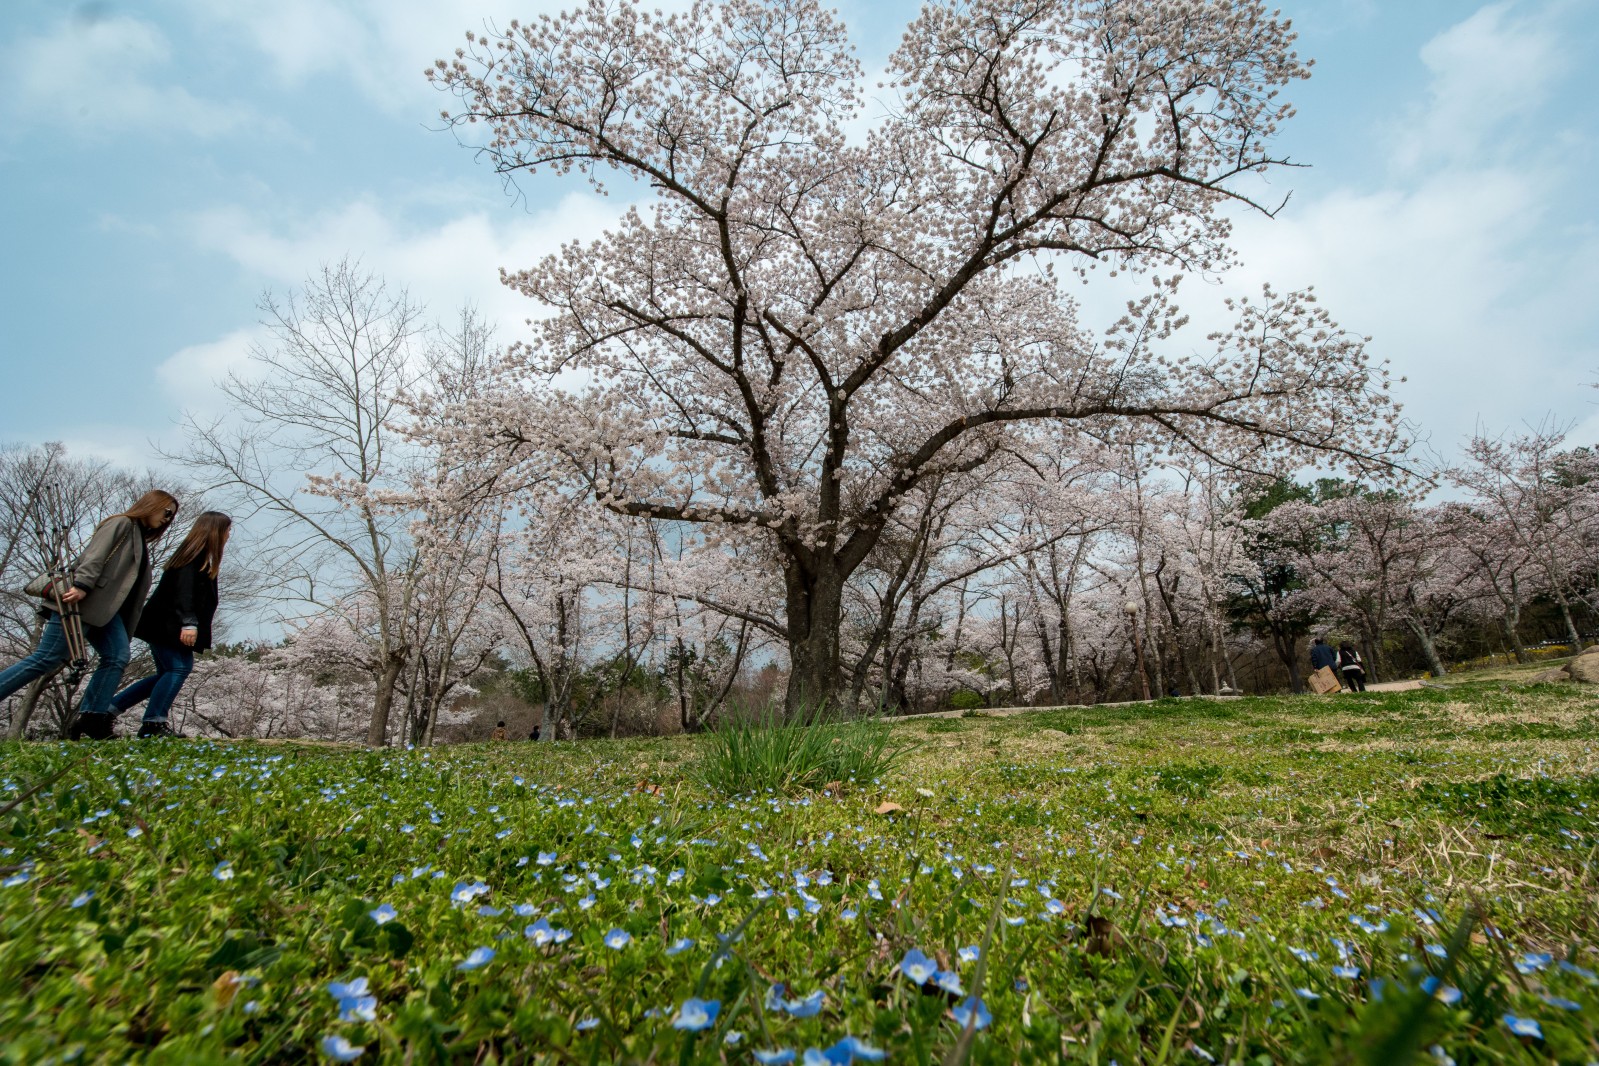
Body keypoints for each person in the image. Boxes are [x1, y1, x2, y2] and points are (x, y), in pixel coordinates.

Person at [0, 490, 179, 740]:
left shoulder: (138, 536)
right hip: (83, 601)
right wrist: (82, 584)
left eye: (172, 516)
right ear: (151, 505)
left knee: (117, 655)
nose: (168, 519)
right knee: (47, 658)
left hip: (105, 611)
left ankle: (93, 718)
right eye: (166, 512)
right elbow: (95, 554)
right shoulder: (121, 523)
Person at [109, 511, 231, 739]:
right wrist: (189, 623)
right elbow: (182, 594)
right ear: (215, 531)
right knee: (178, 668)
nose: (228, 535)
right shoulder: (193, 557)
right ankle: (153, 723)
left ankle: (108, 712)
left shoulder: (199, 557)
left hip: (165, 625)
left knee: (165, 673)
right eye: (226, 530)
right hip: (168, 626)